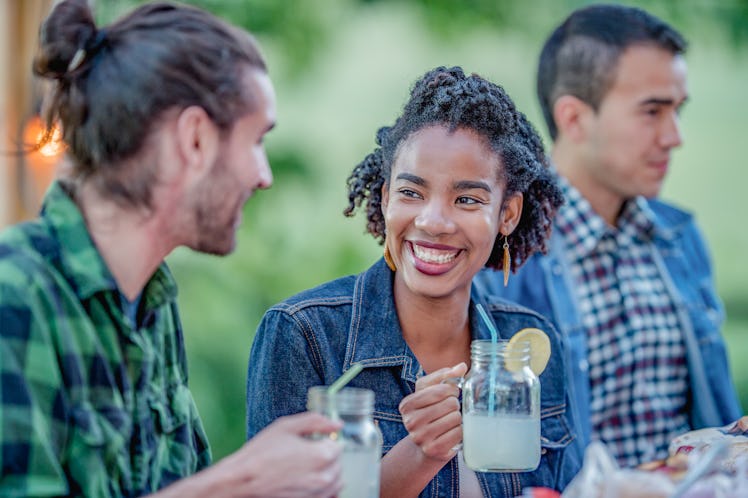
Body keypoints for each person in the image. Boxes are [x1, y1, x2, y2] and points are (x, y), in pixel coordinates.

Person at [0, 1, 344, 496]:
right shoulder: (16, 293)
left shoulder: (153, 306)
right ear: (196, 139)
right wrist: (240, 480)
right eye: (255, 141)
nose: (263, 176)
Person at [246, 66, 584, 497]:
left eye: (467, 199)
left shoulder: (528, 345)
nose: (433, 221)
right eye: (411, 193)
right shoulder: (305, 336)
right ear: (386, 198)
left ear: (507, 214)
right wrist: (420, 453)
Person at [475, 4, 743, 468]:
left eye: (677, 110)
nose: (674, 136)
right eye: (652, 112)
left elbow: (715, 415)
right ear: (574, 118)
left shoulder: (681, 238)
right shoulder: (499, 257)